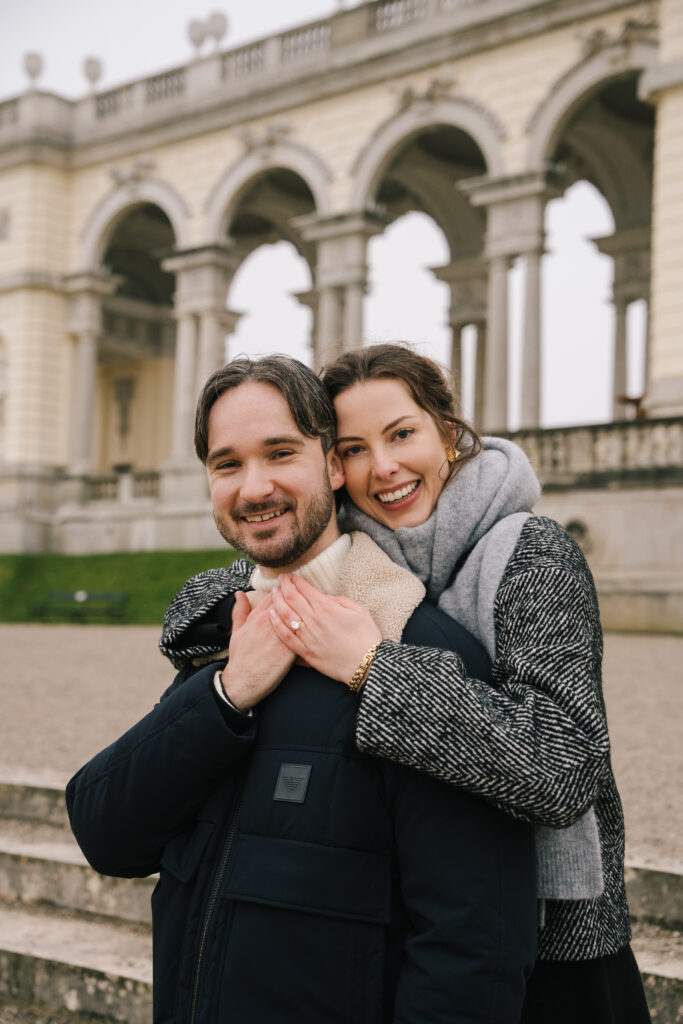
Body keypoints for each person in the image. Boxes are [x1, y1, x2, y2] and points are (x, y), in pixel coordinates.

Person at [66, 354, 536, 1024]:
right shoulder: (220, 650)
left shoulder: (423, 651)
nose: (253, 486)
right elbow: (105, 834)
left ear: (333, 465)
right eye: (227, 463)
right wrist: (227, 694)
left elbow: (474, 952)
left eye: (280, 452)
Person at [270, 342, 650, 1024]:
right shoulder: (347, 562)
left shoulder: (531, 550)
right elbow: (231, 587)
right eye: (354, 448)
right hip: (407, 928)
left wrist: (375, 669)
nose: (383, 467)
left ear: (447, 435)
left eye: (401, 434)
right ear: (333, 468)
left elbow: (563, 767)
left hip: (552, 956)